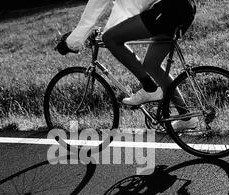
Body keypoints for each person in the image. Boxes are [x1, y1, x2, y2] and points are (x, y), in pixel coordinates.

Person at [57, 0, 197, 131]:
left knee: (110, 38)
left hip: (169, 9)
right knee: (151, 65)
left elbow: (97, 12)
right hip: (183, 7)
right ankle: (186, 117)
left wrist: (71, 43)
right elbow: (126, 9)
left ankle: (150, 88)